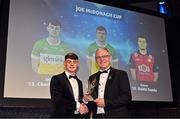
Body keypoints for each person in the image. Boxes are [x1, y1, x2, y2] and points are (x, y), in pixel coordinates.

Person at [84, 47, 132, 118]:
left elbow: (126, 97)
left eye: (104, 56)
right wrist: (86, 100)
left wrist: (106, 103)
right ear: (95, 60)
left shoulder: (121, 74)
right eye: (98, 57)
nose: (102, 59)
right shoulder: (92, 78)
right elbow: (92, 99)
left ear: (109, 58)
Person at [50, 53, 88, 118]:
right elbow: (58, 100)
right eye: (69, 61)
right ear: (64, 63)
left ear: (78, 64)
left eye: (74, 62)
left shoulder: (79, 82)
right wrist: (78, 106)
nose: (72, 64)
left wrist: (85, 101)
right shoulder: (56, 79)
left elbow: (78, 100)